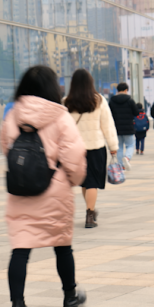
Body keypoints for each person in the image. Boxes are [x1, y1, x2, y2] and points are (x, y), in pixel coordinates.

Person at [0, 65, 87, 307]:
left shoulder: (13, 115)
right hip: (54, 190)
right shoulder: (61, 118)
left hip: (21, 190)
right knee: (62, 245)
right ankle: (70, 296)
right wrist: (72, 181)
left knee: (20, 250)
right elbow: (74, 158)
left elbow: (7, 149)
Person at [64, 69, 118, 228]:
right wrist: (113, 146)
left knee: (84, 182)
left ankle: (90, 210)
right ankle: (90, 214)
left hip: (75, 149)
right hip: (96, 146)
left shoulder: (66, 102)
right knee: (93, 182)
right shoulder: (99, 100)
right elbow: (107, 125)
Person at [108, 83, 138, 171]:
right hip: (128, 127)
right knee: (130, 145)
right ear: (126, 90)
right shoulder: (130, 100)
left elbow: (109, 114)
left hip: (116, 128)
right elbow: (136, 112)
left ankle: (122, 166)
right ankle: (127, 158)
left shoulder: (112, 101)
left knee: (119, 147)